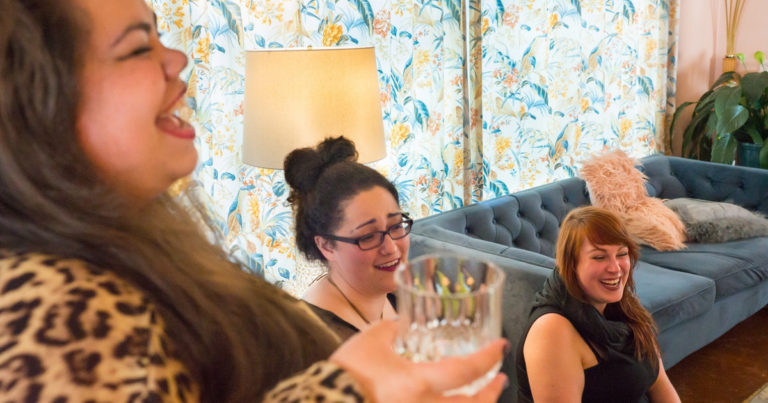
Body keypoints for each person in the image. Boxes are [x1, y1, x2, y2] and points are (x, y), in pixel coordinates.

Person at [0, 0, 507, 402]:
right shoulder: (50, 309)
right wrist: (350, 390)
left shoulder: (148, 251)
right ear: (39, 102)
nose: (177, 59)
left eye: (396, 225)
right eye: (137, 48)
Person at [516, 206, 680, 402]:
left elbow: (660, 384)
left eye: (621, 254)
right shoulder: (552, 331)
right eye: (599, 257)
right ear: (571, 265)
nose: (615, 268)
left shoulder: (625, 308)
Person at [284, 136, 406, 341]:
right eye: (368, 236)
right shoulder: (317, 339)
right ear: (326, 245)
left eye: (395, 226)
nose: (391, 248)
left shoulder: (402, 295)